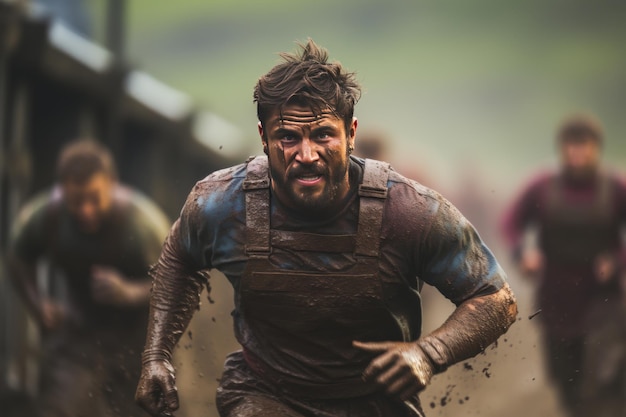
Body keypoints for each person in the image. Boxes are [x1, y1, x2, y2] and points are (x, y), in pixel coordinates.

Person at [135, 39, 518, 417]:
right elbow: (178, 259)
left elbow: (495, 298)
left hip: (376, 401)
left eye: (323, 135)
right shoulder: (221, 204)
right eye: (288, 137)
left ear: (351, 134)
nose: (306, 154)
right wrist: (156, 356)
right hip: (263, 392)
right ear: (263, 139)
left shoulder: (410, 212)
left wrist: (428, 353)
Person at [7, 139, 171, 417]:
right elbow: (18, 259)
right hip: (80, 330)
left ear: (112, 185)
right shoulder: (45, 217)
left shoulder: (143, 224)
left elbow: (176, 282)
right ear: (62, 191)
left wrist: (128, 292)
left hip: (140, 339)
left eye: (94, 198)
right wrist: (38, 305)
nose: (85, 210)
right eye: (76, 201)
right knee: (63, 406)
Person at [500, 113, 626, 417]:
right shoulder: (543, 187)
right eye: (571, 147)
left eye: (584, 147)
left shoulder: (614, 188)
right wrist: (522, 253)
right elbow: (510, 224)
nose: (577, 154)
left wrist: (618, 260)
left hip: (603, 298)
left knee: (603, 374)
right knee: (567, 381)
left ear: (596, 149)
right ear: (562, 149)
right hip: (556, 298)